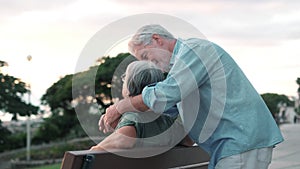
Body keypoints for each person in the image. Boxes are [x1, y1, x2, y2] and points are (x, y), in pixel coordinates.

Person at [99, 24, 284, 169]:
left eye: (146, 55)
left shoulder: (194, 51)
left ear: (157, 39)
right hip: (235, 145)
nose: (149, 63)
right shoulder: (181, 67)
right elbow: (165, 107)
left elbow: (163, 96)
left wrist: (120, 107)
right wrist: (129, 116)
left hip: (241, 143)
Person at [91, 60, 192, 151]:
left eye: (125, 78)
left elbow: (124, 140)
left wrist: (95, 149)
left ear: (131, 86)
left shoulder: (134, 118)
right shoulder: (168, 122)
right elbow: (189, 141)